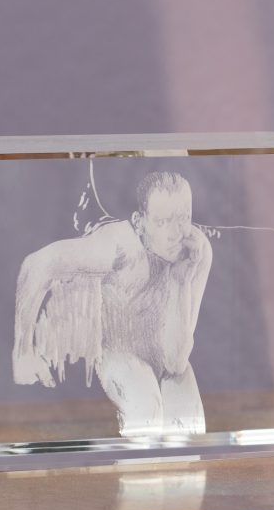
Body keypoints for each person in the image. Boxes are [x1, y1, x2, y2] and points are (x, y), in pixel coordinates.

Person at [13, 171, 212, 435]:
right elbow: (37, 264)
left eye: (183, 218)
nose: (177, 233)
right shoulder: (118, 245)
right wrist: (23, 352)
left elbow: (176, 361)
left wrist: (181, 281)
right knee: (146, 408)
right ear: (140, 222)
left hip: (166, 357)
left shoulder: (196, 252)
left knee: (189, 424)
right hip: (120, 354)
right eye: (163, 221)